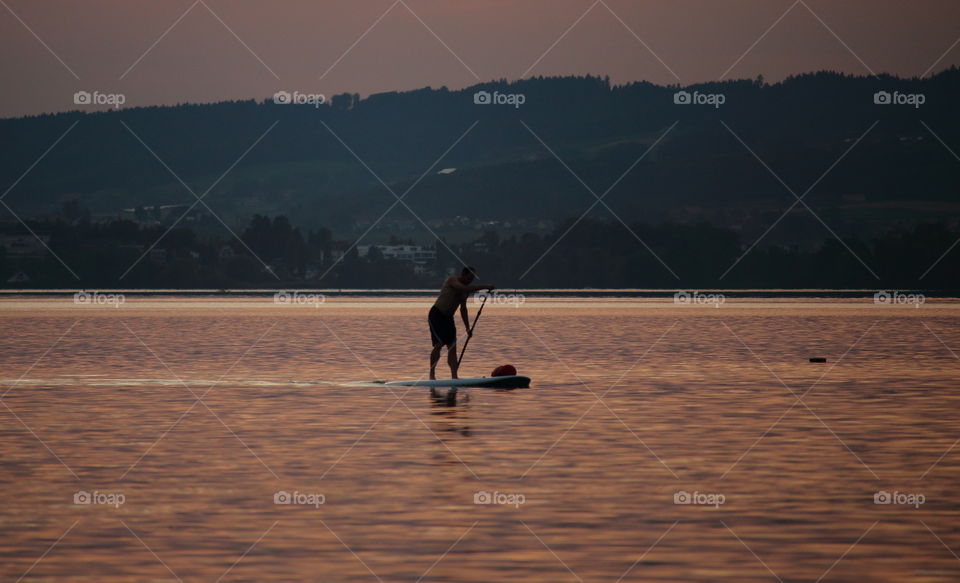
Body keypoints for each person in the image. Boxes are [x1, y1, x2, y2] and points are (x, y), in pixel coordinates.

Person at [429, 266, 495, 379]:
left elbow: (463, 309)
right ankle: (432, 374)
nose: (471, 281)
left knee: (452, 346)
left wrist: (467, 328)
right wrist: (485, 286)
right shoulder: (452, 280)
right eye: (469, 278)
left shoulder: (466, 291)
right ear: (463, 275)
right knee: (439, 344)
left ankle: (454, 377)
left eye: (473, 278)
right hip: (437, 315)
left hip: (449, 318)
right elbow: (464, 289)